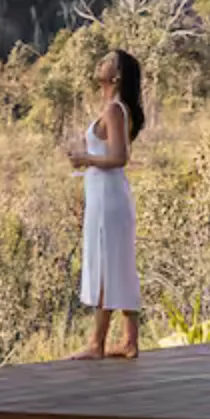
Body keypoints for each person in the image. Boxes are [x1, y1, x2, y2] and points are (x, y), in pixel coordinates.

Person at [66, 49, 144, 359]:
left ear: (117, 75)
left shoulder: (114, 110)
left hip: (108, 199)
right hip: (105, 195)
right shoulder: (113, 109)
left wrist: (86, 158)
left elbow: (120, 157)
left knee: (106, 263)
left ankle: (97, 343)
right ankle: (129, 341)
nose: (100, 62)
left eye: (107, 60)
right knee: (118, 263)